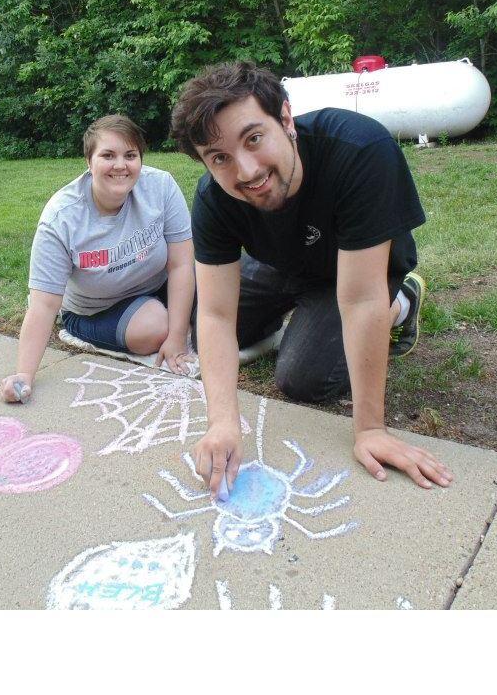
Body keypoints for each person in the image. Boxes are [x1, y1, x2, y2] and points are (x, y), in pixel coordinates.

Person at [169, 61, 453, 495]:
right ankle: (299, 315)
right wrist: (223, 421)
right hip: (280, 263)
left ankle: (402, 302)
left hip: (354, 270)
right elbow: (215, 313)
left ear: (286, 119)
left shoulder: (360, 150)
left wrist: (370, 429)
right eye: (220, 158)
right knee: (202, 330)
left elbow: (359, 299)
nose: (245, 171)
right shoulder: (213, 199)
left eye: (254, 139)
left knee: (303, 378)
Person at [0, 114, 196, 403]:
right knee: (156, 327)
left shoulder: (161, 187)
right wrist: (24, 374)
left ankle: (174, 318)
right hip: (97, 309)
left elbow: (181, 264)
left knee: (229, 297)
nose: (120, 165)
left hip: (157, 284)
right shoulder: (61, 219)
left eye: (131, 155)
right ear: (88, 162)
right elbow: (43, 304)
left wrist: (178, 337)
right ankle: (84, 329)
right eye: (108, 155)